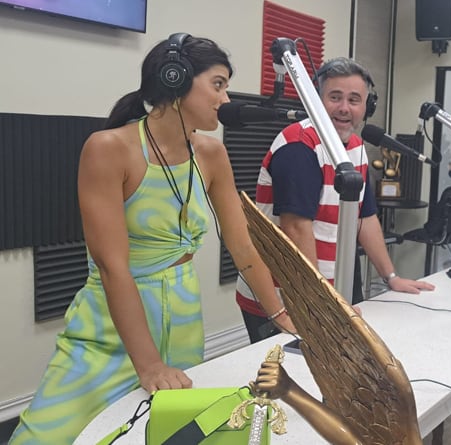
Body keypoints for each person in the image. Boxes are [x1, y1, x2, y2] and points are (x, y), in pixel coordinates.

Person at [9, 33, 295, 445]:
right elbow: (112, 265)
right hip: (107, 325)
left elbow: (242, 245)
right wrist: (147, 365)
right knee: (43, 438)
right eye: (217, 83)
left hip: (181, 319)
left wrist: (280, 316)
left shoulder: (212, 154)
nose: (225, 97)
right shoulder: (110, 148)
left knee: (158, 434)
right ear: (176, 80)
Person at [235, 57, 434, 343]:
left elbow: (365, 218)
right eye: (335, 97)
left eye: (354, 100)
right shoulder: (298, 146)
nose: (344, 108)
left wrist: (391, 277)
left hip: (327, 292)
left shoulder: (356, 148)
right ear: (316, 100)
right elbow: (295, 228)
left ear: (367, 107)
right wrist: (320, 303)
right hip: (283, 297)